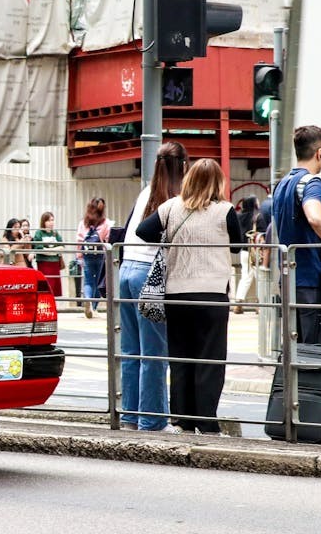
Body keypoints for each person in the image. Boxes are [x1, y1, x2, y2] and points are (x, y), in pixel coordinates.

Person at [136, 158, 244, 435]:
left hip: (177, 295)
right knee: (210, 360)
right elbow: (239, 243)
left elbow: (142, 231)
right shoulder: (225, 210)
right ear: (217, 182)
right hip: (212, 295)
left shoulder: (171, 207)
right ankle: (207, 423)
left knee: (181, 359)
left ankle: (182, 422)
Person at [118, 141, 188, 431]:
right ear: (183, 166)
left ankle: (130, 416)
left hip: (126, 271)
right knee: (155, 353)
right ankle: (153, 420)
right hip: (150, 276)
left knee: (132, 351)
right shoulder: (177, 197)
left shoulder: (146, 192)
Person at [271, 125, 321, 345]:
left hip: (289, 281)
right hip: (310, 281)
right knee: (315, 353)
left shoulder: (282, 185)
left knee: (294, 352)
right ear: (319, 153)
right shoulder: (311, 183)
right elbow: (315, 217)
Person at [77, 197, 111, 318]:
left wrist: (79, 256)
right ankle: (94, 307)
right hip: (100, 255)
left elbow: (80, 239)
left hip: (87, 255)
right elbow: (108, 239)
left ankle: (87, 299)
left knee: (88, 281)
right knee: (98, 281)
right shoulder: (106, 223)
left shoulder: (83, 222)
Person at [233, 195, 261, 312]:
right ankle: (259, 305)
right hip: (254, 251)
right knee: (259, 278)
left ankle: (238, 302)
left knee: (245, 277)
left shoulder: (239, 216)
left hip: (244, 252)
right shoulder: (255, 217)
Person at [32, 212, 65, 293]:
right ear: (44, 222)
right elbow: (39, 249)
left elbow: (62, 247)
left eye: (52, 220)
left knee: (54, 288)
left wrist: (48, 250)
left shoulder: (55, 233)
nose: (51, 223)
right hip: (44, 263)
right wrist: (54, 250)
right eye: (49, 220)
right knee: (46, 286)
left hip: (55, 263)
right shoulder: (39, 233)